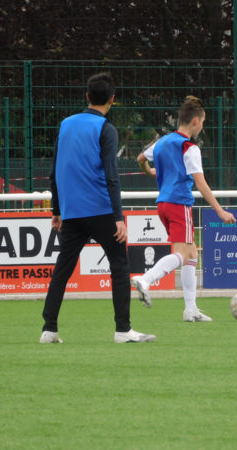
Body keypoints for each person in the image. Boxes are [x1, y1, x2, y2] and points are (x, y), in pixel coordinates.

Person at [40, 72, 155, 344]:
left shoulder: (66, 124)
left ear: (87, 96)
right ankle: (123, 330)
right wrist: (118, 217)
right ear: (112, 100)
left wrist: (57, 210)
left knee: (63, 269)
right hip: (101, 210)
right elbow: (111, 175)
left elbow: (55, 170)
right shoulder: (106, 129)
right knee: (119, 265)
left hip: (72, 213)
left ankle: (49, 329)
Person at [131, 95, 236, 321]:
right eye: (203, 123)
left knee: (191, 254)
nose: (202, 127)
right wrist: (220, 211)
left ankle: (191, 310)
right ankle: (145, 279)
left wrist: (150, 171)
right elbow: (200, 183)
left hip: (163, 204)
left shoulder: (163, 141)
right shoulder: (189, 147)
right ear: (196, 121)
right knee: (183, 254)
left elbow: (140, 158)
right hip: (179, 204)